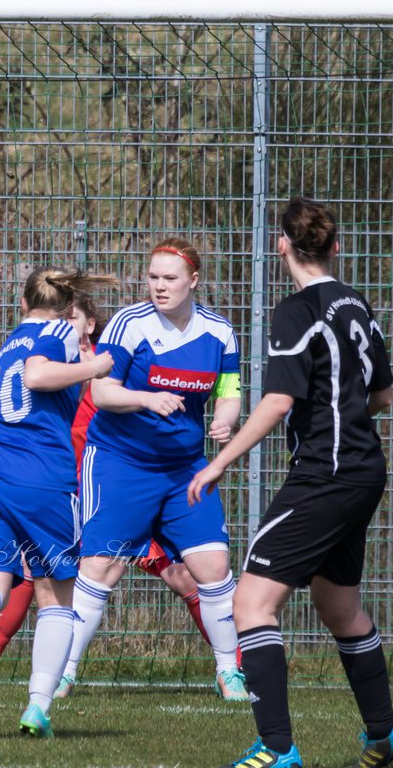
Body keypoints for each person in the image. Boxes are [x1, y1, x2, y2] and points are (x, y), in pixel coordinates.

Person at [190, 199, 393, 768]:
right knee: (340, 607)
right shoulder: (357, 303)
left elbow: (279, 401)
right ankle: (384, 735)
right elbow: (381, 393)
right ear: (335, 247)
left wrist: (218, 462)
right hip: (363, 470)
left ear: (282, 245)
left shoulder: (296, 311)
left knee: (251, 603)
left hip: (324, 474)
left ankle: (277, 749)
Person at [0, 294, 209, 687]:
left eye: (71, 316)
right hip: (59, 484)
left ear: (89, 324)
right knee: (33, 571)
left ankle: (232, 667)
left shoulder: (112, 360)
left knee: (180, 575)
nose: (61, 321)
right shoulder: (52, 355)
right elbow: (29, 401)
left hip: (118, 485)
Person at [60, 238, 247, 701]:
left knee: (214, 565)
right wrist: (147, 398)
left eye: (170, 278)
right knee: (101, 566)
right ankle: (61, 673)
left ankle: (230, 673)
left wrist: (225, 418)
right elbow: (102, 394)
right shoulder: (130, 323)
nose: (159, 287)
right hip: (121, 463)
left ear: (194, 282)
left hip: (184, 468)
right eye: (153, 277)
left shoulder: (219, 332)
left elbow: (229, 391)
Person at [0, 267, 115, 737]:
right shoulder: (57, 330)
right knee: (55, 596)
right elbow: (38, 378)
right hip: (38, 479)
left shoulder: (13, 337)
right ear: (64, 310)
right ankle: (38, 707)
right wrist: (95, 366)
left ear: (22, 304)